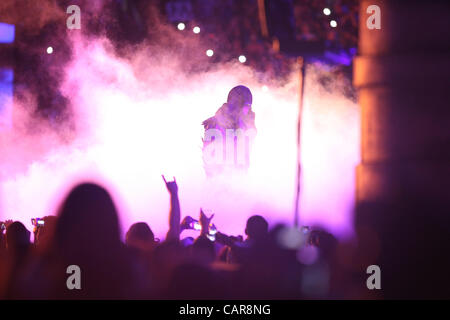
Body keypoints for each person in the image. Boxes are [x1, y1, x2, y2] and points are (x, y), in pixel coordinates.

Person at [202, 85, 256, 175]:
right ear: (238, 106)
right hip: (223, 183)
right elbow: (212, 164)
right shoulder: (218, 125)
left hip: (232, 182)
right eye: (247, 106)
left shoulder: (239, 123)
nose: (248, 110)